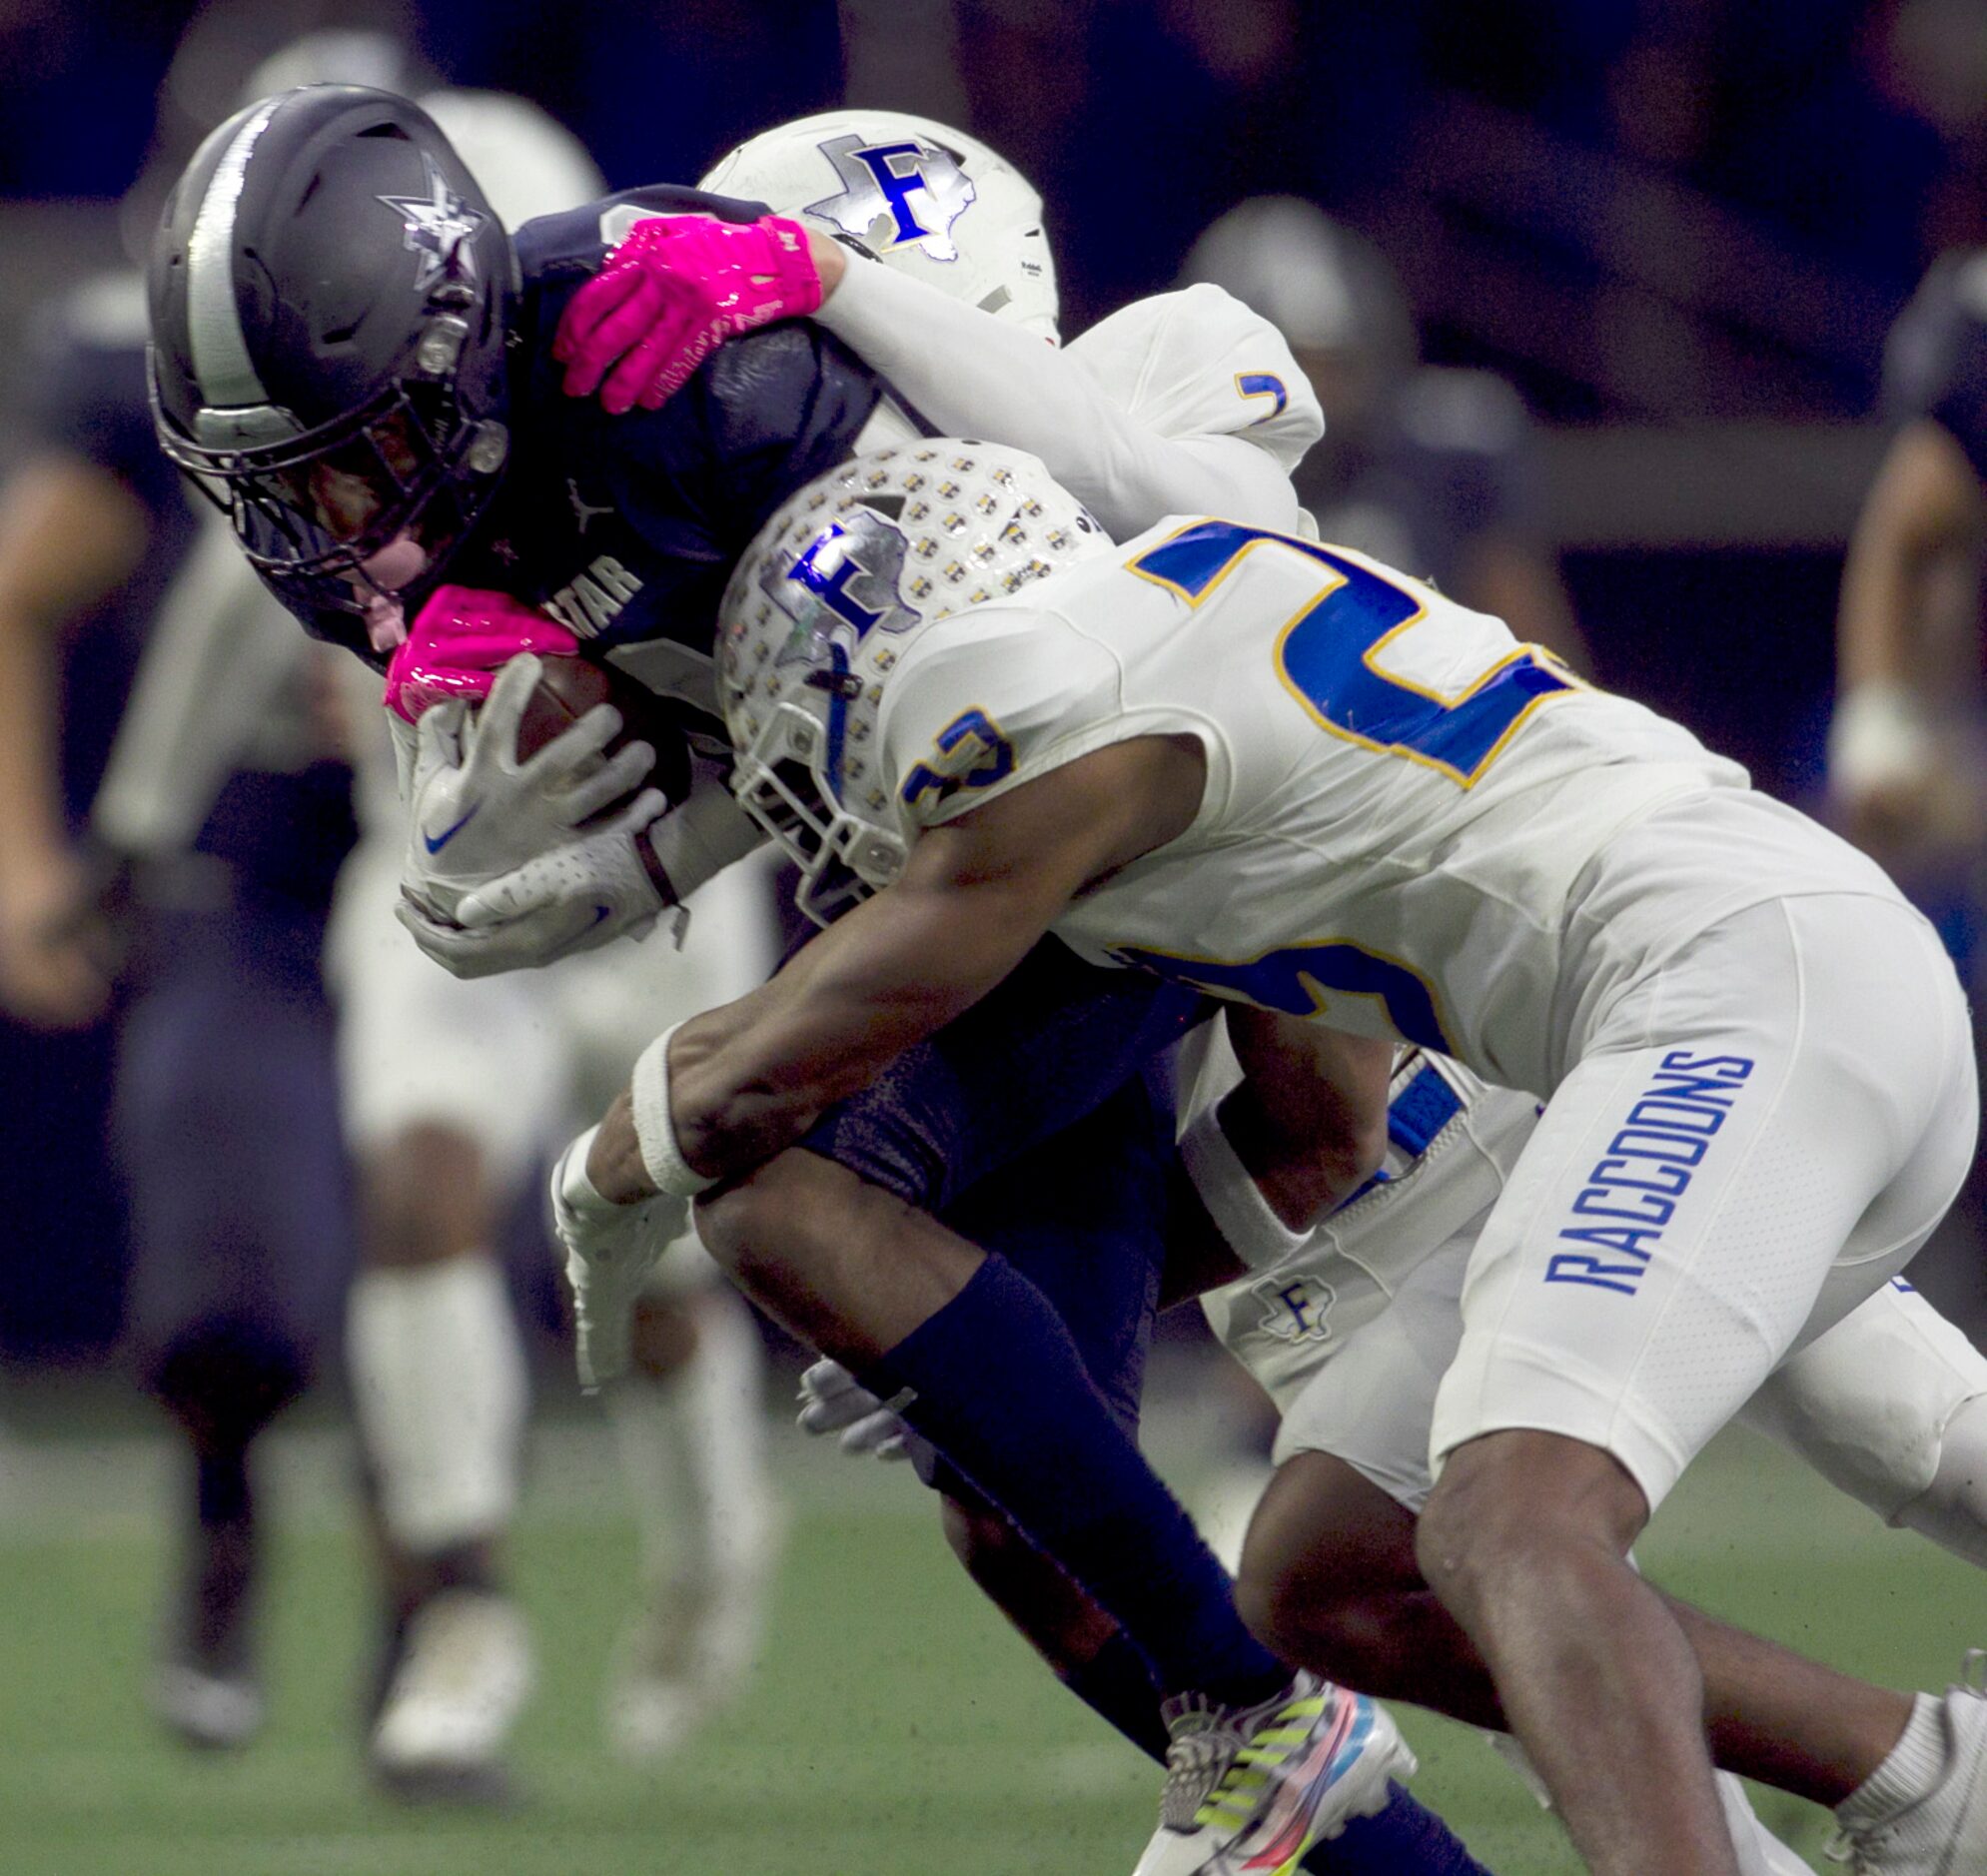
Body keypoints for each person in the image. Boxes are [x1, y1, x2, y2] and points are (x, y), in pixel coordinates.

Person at [146, 87, 1485, 1875]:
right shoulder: (411, 483)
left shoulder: (772, 375)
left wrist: (820, 284)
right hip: (1007, 877)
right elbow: (790, 752)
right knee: (1022, 1504)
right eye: (286, 476)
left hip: (1205, 862)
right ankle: (1341, 1776)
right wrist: (567, 801)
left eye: (351, 457)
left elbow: (1124, 662)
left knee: (795, 1190)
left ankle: (1283, 1705)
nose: (329, 521)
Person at [550, 437, 1981, 1876]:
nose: (833, 835)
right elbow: (1321, 1128)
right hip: (1709, 1006)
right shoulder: (1157, 643)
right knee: (1323, 1571)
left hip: (1727, 987)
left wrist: (611, 1166)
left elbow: (768, 1080)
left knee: (1514, 1522)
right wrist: (1012, 1343)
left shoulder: (1055, 717)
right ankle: (1928, 1781)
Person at [809, 1027, 1987, 1872]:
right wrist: (962, 1320)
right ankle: (1931, 1783)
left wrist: (970, 1321)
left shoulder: (1117, 753)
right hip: (1327, 1293)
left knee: (1907, 1419)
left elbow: (1323, 1124)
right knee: (1453, 1605)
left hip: (1546, 1124)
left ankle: (1935, 1781)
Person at [1182, 196, 1587, 672]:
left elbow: (1543, 667)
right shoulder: (1167, 469)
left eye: (1336, 365)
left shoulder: (1444, 452)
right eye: (1291, 362)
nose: (1317, 394)